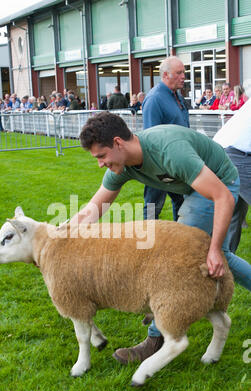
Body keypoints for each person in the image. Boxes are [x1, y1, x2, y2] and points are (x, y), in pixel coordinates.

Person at [69, 112, 251, 363]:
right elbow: (93, 209)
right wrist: (59, 238)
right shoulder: (122, 163)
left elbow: (223, 197)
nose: (100, 163)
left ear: (118, 143)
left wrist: (215, 249)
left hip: (219, 183)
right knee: (219, 257)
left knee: (174, 257)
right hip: (194, 187)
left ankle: (157, 339)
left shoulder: (169, 151)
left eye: (101, 155)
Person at [142, 56, 189, 222]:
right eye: (179, 73)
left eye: (183, 72)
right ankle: (146, 243)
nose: (183, 76)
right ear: (165, 75)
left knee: (181, 201)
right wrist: (159, 169)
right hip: (159, 166)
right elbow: (150, 137)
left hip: (177, 163)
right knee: (152, 206)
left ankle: (179, 240)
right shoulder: (154, 99)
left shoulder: (177, 96)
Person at [214, 96, 251, 253]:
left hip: (225, 151)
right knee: (233, 214)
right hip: (237, 154)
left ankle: (223, 262)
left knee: (233, 214)